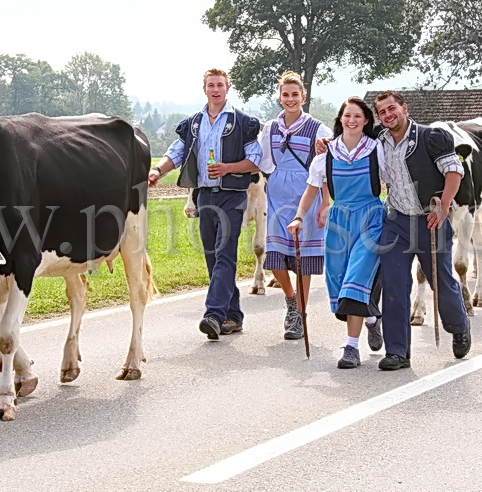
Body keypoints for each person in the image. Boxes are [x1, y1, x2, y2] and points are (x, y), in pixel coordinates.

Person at [148, 68, 261, 340]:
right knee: (212, 256)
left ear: (227, 88)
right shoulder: (193, 123)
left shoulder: (242, 122)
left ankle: (213, 314)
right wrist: (158, 171)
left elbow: (255, 160)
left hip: (232, 196)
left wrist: (227, 168)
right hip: (205, 196)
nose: (216, 89)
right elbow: (177, 152)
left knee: (224, 253)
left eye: (220, 85)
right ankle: (233, 316)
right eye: (211, 85)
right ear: (205, 89)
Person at [372, 91, 471, 371]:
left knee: (441, 281)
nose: (388, 115)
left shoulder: (430, 137)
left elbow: (454, 172)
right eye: (382, 112)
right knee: (394, 283)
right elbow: (348, 136)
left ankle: (459, 325)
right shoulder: (379, 139)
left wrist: (444, 206)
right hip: (396, 221)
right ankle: (398, 351)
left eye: (392, 108)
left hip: (430, 219)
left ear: (404, 108)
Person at [287, 97, 386, 369]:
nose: (351, 120)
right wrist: (298, 217)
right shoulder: (326, 156)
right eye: (347, 116)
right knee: (339, 284)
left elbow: (397, 180)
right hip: (339, 223)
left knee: (355, 280)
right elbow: (310, 190)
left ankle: (351, 348)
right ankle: (371, 318)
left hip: (370, 220)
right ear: (340, 119)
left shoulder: (378, 150)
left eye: (357, 116)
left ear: (366, 121)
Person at [257, 71, 332, 341]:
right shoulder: (271, 128)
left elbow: (326, 168)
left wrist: (325, 201)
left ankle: (299, 313)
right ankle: (290, 299)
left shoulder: (317, 129)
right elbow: (263, 161)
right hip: (277, 194)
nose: (290, 99)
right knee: (275, 252)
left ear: (303, 97)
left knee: (302, 259)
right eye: (285, 95)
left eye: (295, 94)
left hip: (306, 194)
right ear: (279, 97)